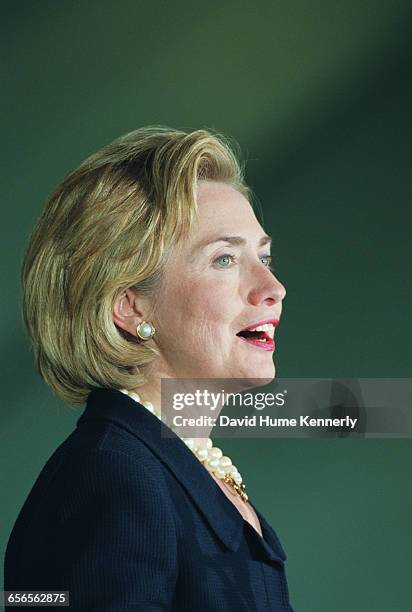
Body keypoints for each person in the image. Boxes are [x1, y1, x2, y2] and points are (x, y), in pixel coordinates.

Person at [4, 127, 293, 611]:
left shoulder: (164, 468)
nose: (272, 286)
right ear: (131, 307)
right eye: (224, 259)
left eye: (262, 256)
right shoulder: (112, 477)